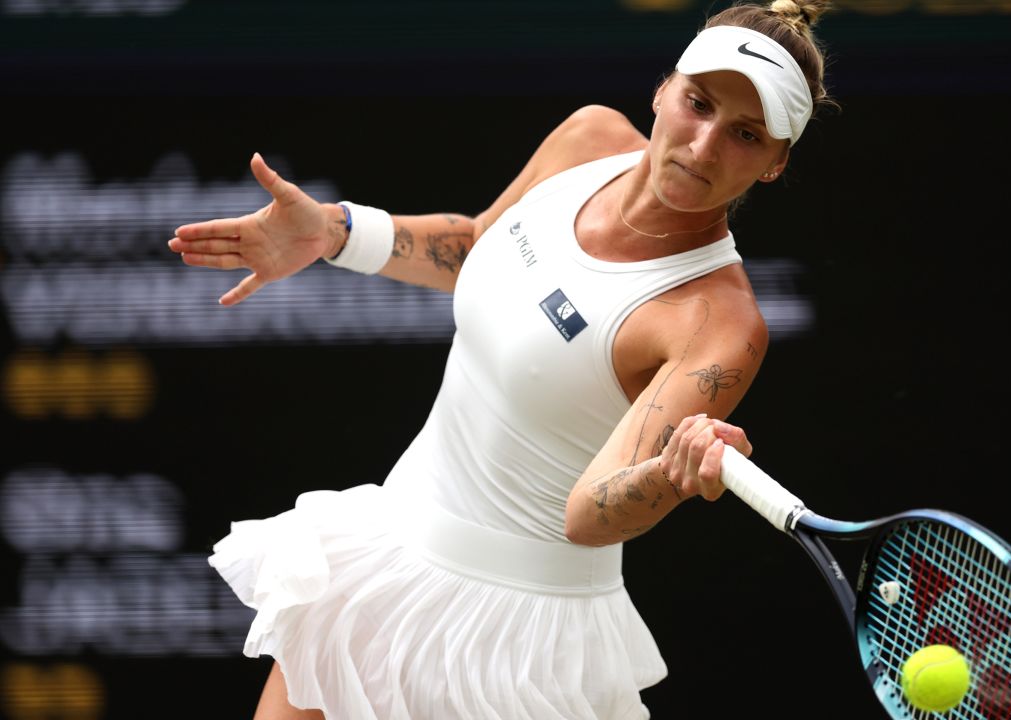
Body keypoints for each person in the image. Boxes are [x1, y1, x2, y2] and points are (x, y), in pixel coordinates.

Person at [168, 1, 835, 718]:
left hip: (515, 645)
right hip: (387, 552)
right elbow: (482, 242)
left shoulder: (719, 323)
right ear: (662, 90)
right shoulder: (588, 139)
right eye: (697, 104)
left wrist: (672, 475)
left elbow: (590, 513)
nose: (703, 146)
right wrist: (336, 231)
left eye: (743, 135)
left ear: (775, 164)